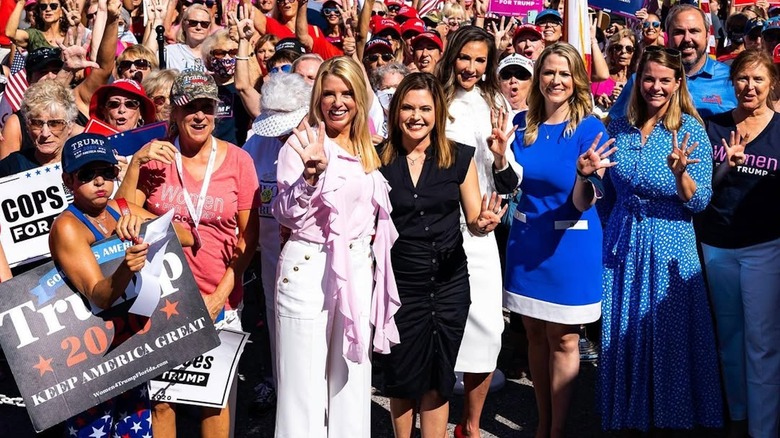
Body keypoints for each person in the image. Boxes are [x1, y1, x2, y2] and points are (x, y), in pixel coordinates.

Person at [115, 68, 260, 437]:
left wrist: (221, 296)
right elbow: (123, 214)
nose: (199, 116)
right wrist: (136, 162)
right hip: (161, 297)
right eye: (190, 107)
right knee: (162, 400)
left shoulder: (238, 161)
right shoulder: (156, 157)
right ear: (174, 112)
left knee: (214, 399)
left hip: (218, 295)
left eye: (206, 107)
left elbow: (248, 238)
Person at [271, 56, 399, 438]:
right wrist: (310, 178)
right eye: (329, 94)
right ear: (318, 99)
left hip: (357, 267)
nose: (338, 102)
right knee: (303, 388)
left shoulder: (369, 147)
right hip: (308, 265)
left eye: (346, 93)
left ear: (359, 98)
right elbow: (284, 213)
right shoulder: (302, 143)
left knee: (352, 383)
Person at [599, 45, 723, 432]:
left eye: (665, 80)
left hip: (670, 241)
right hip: (622, 240)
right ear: (638, 79)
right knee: (624, 330)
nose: (656, 87)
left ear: (677, 83)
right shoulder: (618, 127)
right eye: (649, 78)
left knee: (668, 334)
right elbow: (608, 195)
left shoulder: (690, 130)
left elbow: (699, 201)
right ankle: (628, 416)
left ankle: (671, 419)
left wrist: (680, 174)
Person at [378, 72, 507, 438]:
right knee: (402, 377)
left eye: (425, 109)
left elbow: (474, 220)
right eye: (408, 108)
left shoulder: (459, 156)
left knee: (439, 377)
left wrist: (484, 223)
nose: (416, 116)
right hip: (400, 284)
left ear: (438, 113)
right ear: (396, 111)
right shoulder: (378, 158)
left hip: (449, 284)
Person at [49, 132, 193, 437]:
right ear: (68, 180)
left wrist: (146, 226)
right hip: (89, 356)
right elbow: (99, 295)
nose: (100, 181)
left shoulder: (120, 207)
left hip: (130, 345)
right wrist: (126, 265)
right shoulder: (68, 227)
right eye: (87, 174)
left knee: (135, 431)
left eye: (107, 171)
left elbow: (187, 237)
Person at [504, 42, 614, 438]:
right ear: (538, 78)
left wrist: (584, 175)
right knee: (534, 335)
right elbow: (507, 183)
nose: (556, 80)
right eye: (549, 72)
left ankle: (557, 430)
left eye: (565, 73)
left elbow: (585, 202)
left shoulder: (590, 128)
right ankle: (542, 421)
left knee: (564, 338)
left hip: (570, 247)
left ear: (577, 80)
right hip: (526, 243)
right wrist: (498, 157)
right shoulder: (520, 124)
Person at [436, 25, 522, 438]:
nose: (471, 67)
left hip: (480, 228)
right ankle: (432, 421)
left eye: (480, 60)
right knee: (433, 328)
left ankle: (470, 425)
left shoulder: (495, 102)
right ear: (452, 55)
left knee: (487, 325)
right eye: (465, 57)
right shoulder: (432, 98)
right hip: (434, 227)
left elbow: (510, 179)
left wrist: (501, 156)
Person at [700, 49, 780, 438]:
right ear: (732, 83)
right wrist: (724, 165)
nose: (750, 86)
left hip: (765, 247)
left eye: (758, 79)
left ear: (771, 84)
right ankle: (738, 416)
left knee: (762, 341)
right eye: (743, 78)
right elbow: (702, 189)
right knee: (729, 337)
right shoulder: (713, 126)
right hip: (717, 245)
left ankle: (764, 429)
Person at [243, 71, 312, 414]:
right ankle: (280, 388)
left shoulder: (322, 140)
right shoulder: (256, 143)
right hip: (272, 257)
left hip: (313, 258)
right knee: (276, 325)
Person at [610, 4, 737, 120]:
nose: (687, 39)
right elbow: (614, 124)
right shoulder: (641, 80)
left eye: (694, 31)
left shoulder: (731, 79)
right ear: (667, 37)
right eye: (679, 32)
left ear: (707, 35)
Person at [0, 80, 77, 178]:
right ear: (27, 127)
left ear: (70, 126)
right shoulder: (11, 166)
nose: (45, 133)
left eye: (55, 124)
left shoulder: (82, 163)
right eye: (37, 124)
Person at [592, 29, 637, 114]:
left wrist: (625, 98)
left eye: (629, 49)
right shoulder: (600, 77)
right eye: (618, 48)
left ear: (634, 54)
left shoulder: (636, 81)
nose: (623, 51)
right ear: (612, 52)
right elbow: (586, 103)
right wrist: (598, 100)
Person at [89, 79, 157, 132]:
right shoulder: (91, 142)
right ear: (104, 112)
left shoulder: (153, 142)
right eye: (114, 104)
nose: (121, 110)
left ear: (141, 112)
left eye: (130, 104)